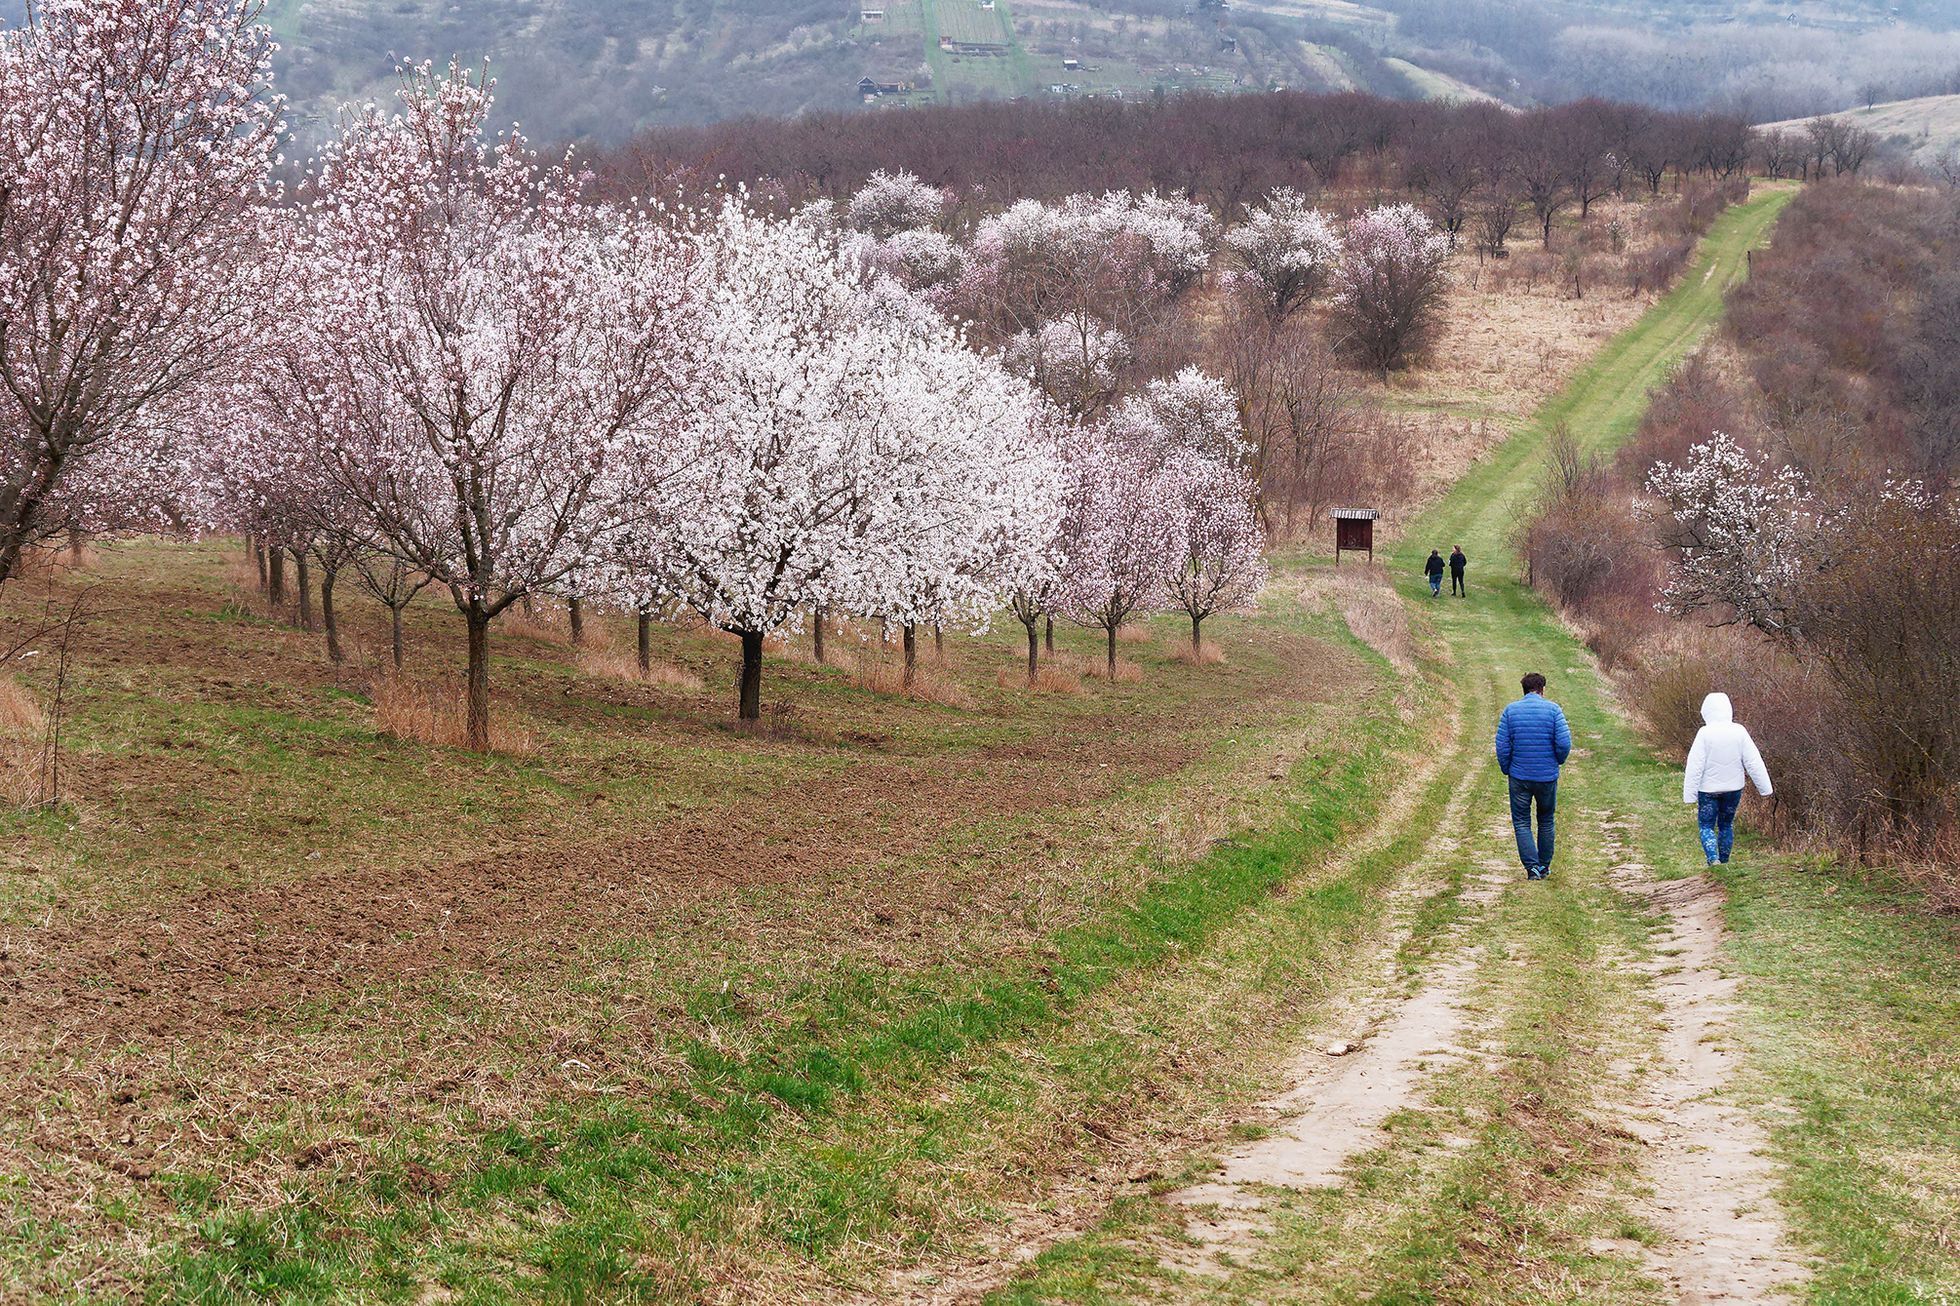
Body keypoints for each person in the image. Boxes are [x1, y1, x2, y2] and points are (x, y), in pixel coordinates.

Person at [1495, 672, 1572, 881]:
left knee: (1521, 822)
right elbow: (1564, 744)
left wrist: (1507, 768)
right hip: (1546, 777)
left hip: (1519, 776)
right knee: (1546, 820)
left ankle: (1532, 868)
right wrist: (1557, 760)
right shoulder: (1554, 710)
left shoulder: (1510, 711)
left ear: (1523, 690)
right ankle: (1545, 866)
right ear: (1542, 689)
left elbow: (1502, 746)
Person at [1682, 692, 1772, 867]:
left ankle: (1712, 859)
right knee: (1726, 825)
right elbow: (1753, 762)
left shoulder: (1704, 733)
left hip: (1708, 790)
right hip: (1733, 788)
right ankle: (1724, 862)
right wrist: (1765, 788)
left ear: (1706, 712)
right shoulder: (1739, 731)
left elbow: (1695, 765)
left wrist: (1690, 794)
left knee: (1706, 826)